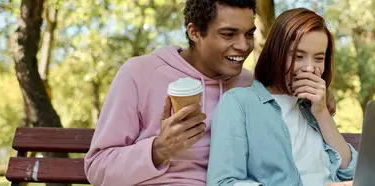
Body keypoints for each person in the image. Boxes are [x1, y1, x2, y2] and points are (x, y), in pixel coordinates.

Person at [83, 0, 257, 185]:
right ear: (195, 32)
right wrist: (158, 150)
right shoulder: (140, 73)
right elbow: (97, 167)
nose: (244, 46)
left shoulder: (251, 85)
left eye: (249, 34)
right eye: (229, 34)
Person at [207, 8, 357, 186]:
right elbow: (223, 182)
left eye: (318, 58)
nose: (309, 68)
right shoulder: (238, 103)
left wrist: (322, 113)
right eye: (298, 56)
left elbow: (351, 171)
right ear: (276, 54)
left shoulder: (315, 107)